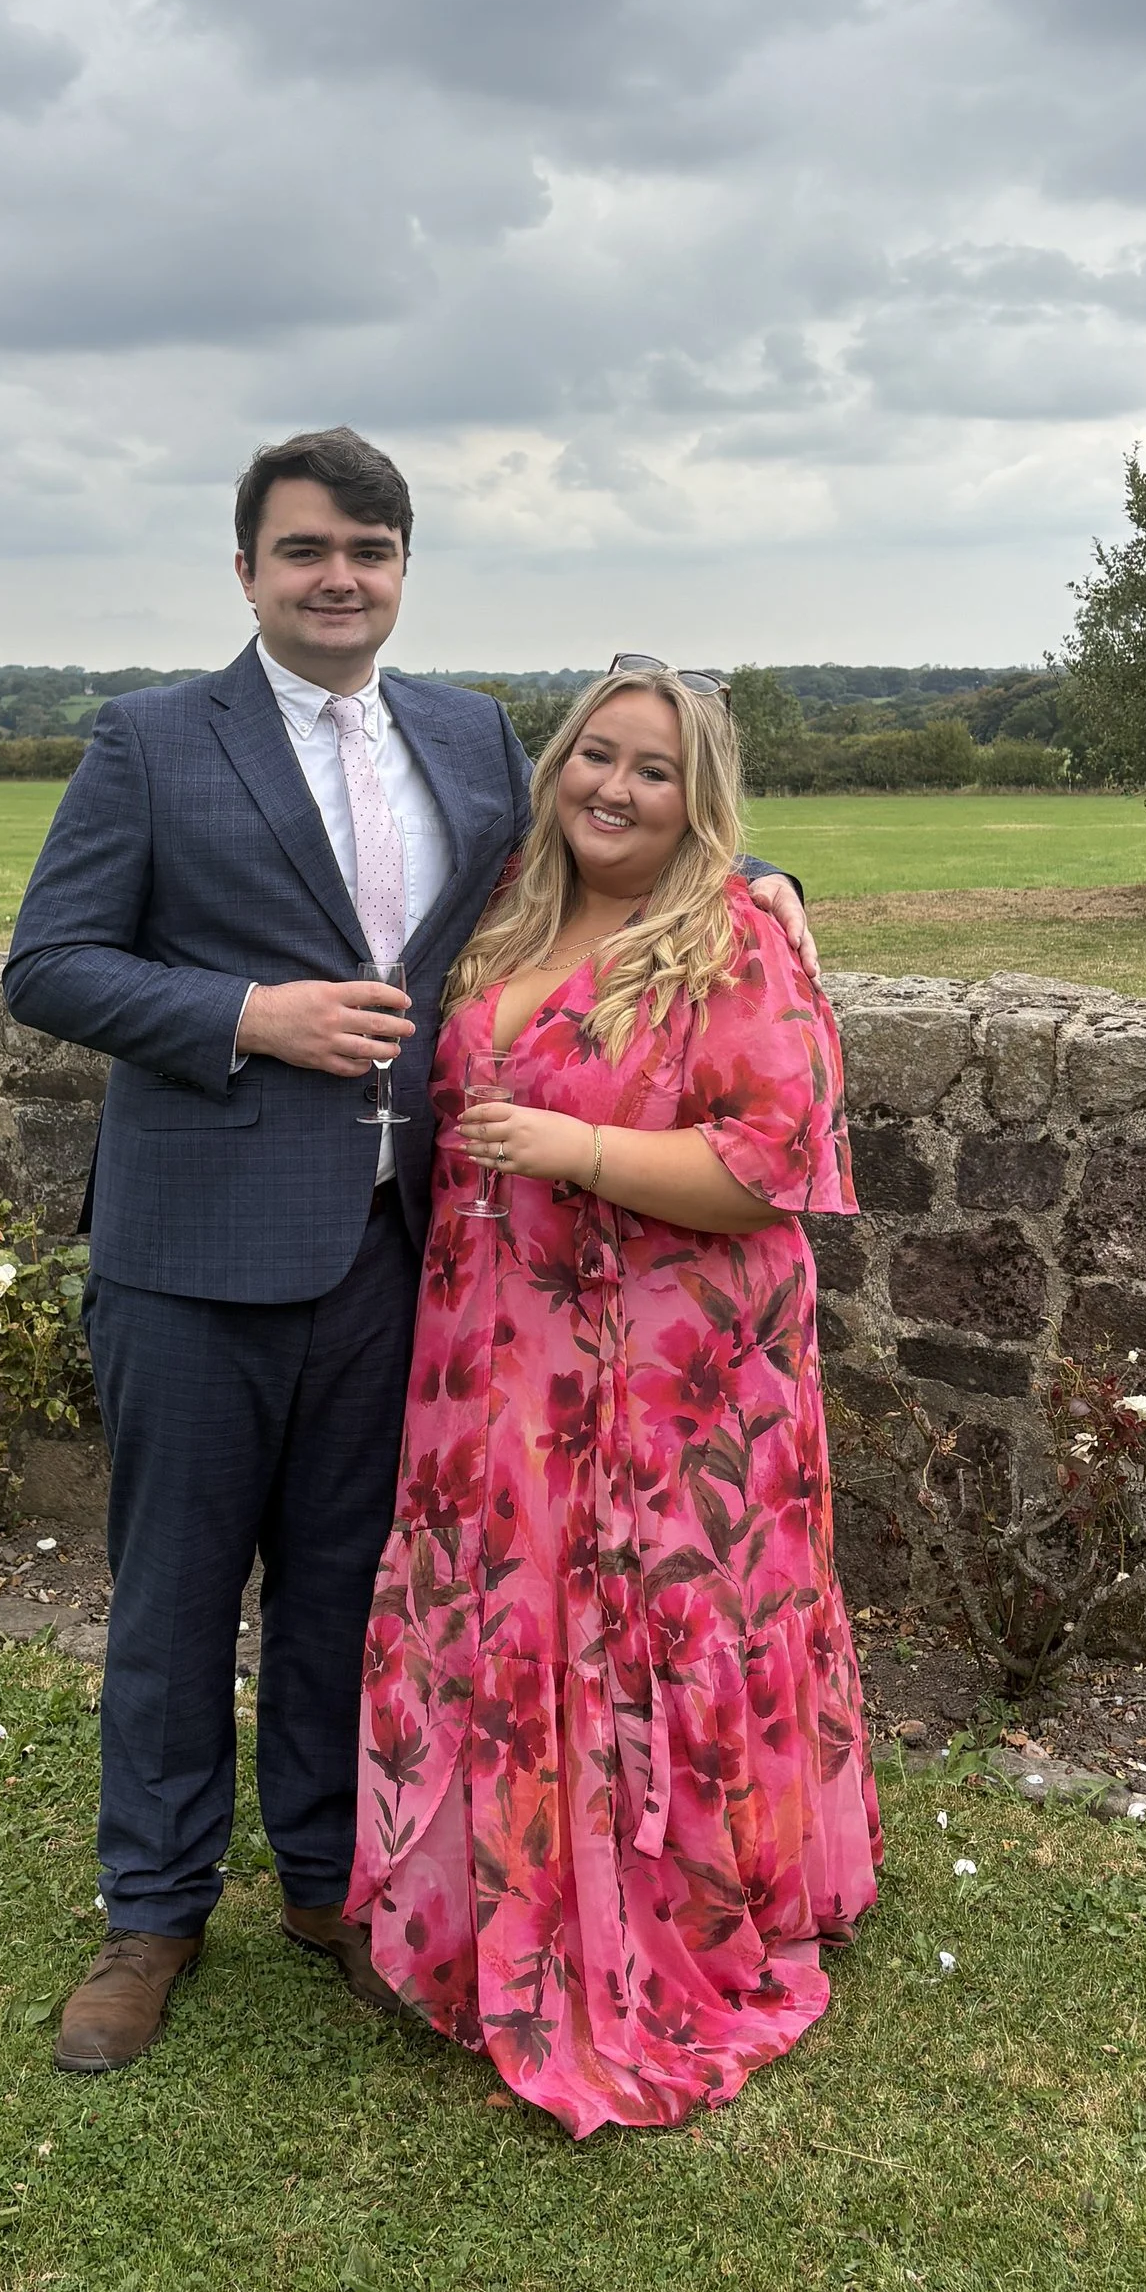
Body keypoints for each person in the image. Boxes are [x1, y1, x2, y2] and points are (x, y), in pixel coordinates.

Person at [1, 428, 813, 2075]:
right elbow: (53, 965)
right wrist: (245, 1014)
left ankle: (327, 1877)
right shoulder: (152, 741)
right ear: (248, 570)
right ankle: (152, 1915)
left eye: (369, 551)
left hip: (402, 1255)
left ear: (401, 570)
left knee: (344, 1592)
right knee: (172, 1596)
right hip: (196, 1248)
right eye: (305, 550)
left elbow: (591, 870)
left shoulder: (468, 736)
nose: (337, 578)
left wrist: (762, 883)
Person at [348, 662, 879, 2136]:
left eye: (654, 770)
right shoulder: (511, 901)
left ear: (699, 797)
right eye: (596, 754)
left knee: (650, 1628)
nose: (616, 789)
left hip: (672, 1375)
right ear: (557, 765)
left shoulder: (729, 933)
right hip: (496, 1348)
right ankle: (488, 1922)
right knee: (505, 1620)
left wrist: (575, 1148)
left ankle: (659, 1928)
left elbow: (775, 1166)